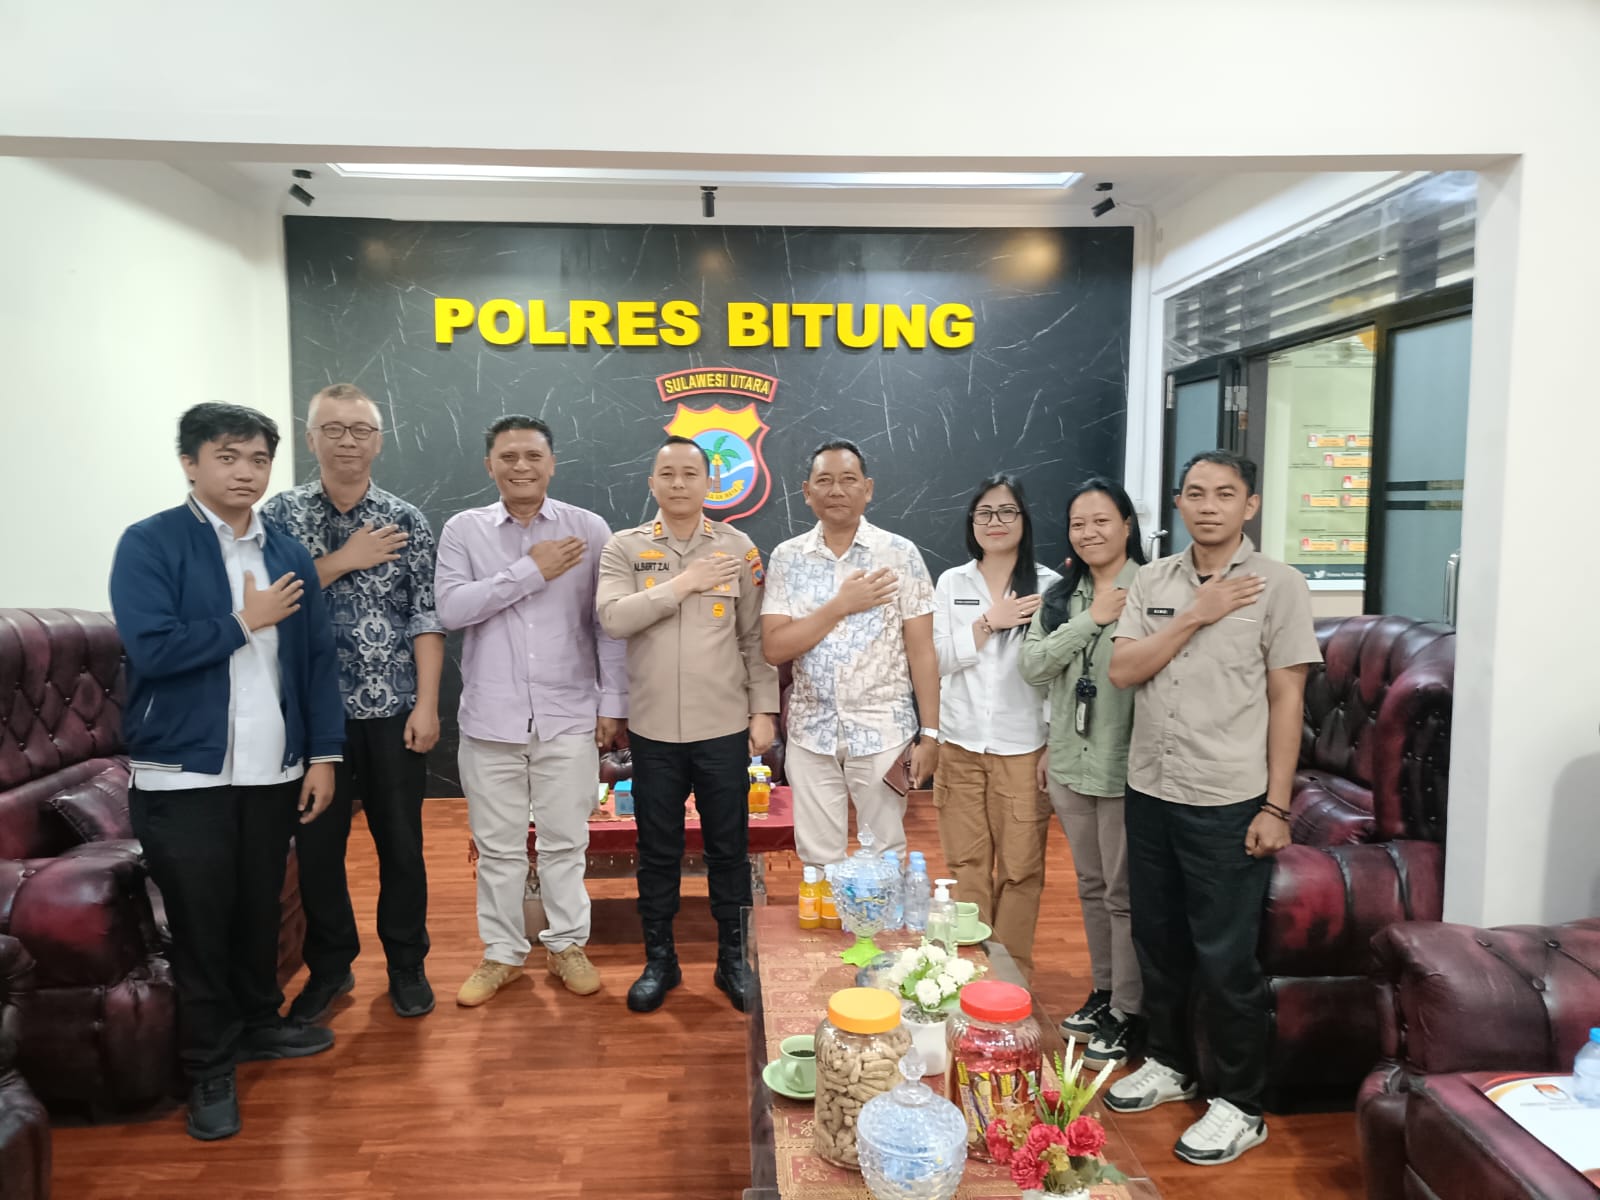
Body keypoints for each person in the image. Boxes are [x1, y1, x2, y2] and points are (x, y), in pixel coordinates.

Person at [109, 403, 345, 1141]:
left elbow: (316, 660)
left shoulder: (287, 551)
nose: (246, 472)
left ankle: (256, 1024)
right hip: (183, 776)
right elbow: (153, 649)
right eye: (228, 456)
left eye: (258, 459)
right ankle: (209, 1066)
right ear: (190, 463)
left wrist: (323, 755)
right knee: (202, 924)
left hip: (272, 771)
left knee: (256, 909)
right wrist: (247, 621)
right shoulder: (151, 543)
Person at [1102, 450, 1320, 1168]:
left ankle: (1240, 1103)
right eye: (1195, 493)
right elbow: (1124, 669)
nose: (1208, 506)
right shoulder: (1153, 581)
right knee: (1158, 942)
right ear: (1178, 503)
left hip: (1227, 797)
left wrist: (1277, 807)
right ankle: (1170, 1062)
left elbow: (1288, 698)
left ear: (1249, 505)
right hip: (1151, 788)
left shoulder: (1280, 586)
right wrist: (1195, 616)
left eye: (1225, 494)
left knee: (1227, 959)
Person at [260, 383, 445, 1022]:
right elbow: (269, 599)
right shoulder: (279, 516)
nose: (347, 441)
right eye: (333, 429)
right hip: (311, 717)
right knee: (318, 852)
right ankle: (331, 968)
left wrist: (427, 704)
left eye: (360, 430)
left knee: (402, 846)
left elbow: (425, 617)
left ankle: (407, 965)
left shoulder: (406, 519)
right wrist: (343, 559)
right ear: (310, 438)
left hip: (393, 710)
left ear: (378, 442)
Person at [435, 415, 627, 1006]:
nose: (521, 466)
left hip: (568, 713)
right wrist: (530, 571)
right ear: (489, 465)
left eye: (533, 456)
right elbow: (451, 610)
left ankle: (567, 945)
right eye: (508, 457)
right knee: (497, 848)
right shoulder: (464, 531)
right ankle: (502, 954)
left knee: (565, 843)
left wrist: (613, 702)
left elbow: (608, 625)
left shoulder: (588, 529)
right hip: (490, 718)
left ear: (552, 464)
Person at [596, 436, 780, 1014]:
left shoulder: (738, 547)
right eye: (667, 473)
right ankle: (661, 961)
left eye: (690, 473)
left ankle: (732, 961)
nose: (678, 483)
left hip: (722, 726)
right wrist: (683, 584)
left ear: (708, 483)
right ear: (651, 482)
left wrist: (763, 709)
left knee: (728, 849)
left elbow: (754, 637)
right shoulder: (624, 547)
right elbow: (613, 617)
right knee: (657, 850)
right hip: (652, 731)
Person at [761, 439, 939, 867]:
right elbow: (774, 647)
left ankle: (880, 916)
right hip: (810, 733)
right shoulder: (787, 558)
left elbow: (922, 652)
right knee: (818, 860)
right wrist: (840, 605)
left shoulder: (900, 555)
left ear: (868, 488)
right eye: (824, 481)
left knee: (885, 856)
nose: (836, 490)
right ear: (807, 492)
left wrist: (932, 735)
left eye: (848, 479)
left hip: (884, 731)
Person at [1018, 477, 1147, 1066]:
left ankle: (1129, 1010)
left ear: (1126, 525)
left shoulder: (1152, 588)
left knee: (1124, 894)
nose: (1089, 532)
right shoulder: (1061, 597)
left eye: (1101, 521)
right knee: (1092, 887)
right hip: (1070, 761)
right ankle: (1103, 990)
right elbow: (1033, 667)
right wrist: (1090, 619)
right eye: (1078, 523)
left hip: (1128, 766)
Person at [930, 474, 1059, 977]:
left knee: (1021, 870)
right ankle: (972, 972)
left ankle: (1011, 977)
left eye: (1007, 512)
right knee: (967, 866)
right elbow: (936, 660)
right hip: (960, 745)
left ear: (1024, 520)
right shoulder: (952, 583)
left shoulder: (1049, 587)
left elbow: (1058, 674)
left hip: (1023, 748)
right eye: (984, 513)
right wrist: (988, 623)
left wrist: (1052, 743)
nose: (995, 522)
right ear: (972, 523)